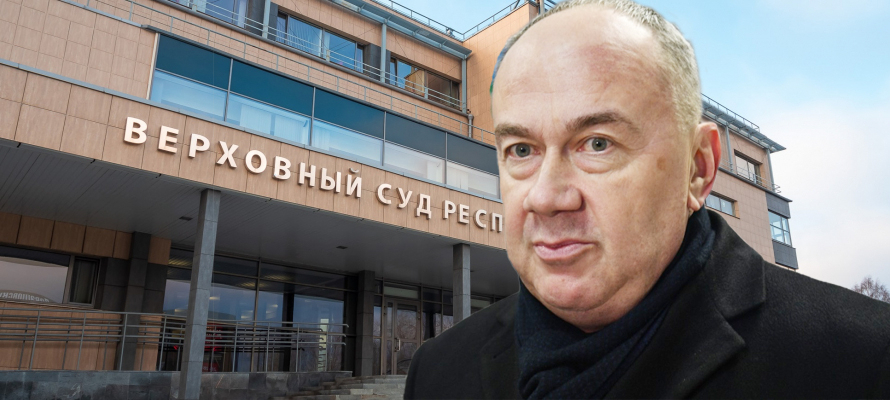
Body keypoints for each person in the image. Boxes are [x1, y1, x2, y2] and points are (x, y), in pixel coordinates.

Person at [404, 0, 890, 398]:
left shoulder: (862, 361)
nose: (547, 197)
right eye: (521, 150)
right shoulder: (438, 371)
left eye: (597, 143)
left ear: (697, 169)